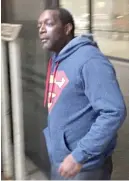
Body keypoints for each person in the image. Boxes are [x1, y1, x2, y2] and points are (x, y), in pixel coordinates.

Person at [38, 7, 126, 180]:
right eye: (39, 25)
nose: (41, 29)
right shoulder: (57, 59)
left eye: (48, 23)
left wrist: (80, 155)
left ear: (67, 28)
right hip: (62, 159)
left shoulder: (90, 60)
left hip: (84, 167)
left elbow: (113, 112)